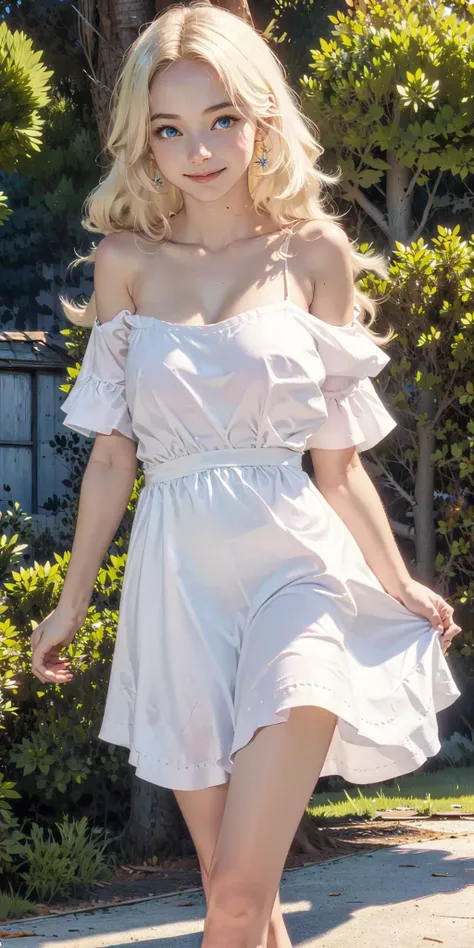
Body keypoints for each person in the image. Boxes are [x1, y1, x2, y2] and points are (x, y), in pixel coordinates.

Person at [30, 3, 462, 946]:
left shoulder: (316, 255)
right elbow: (113, 455)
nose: (201, 149)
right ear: (144, 143)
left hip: (296, 575)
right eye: (171, 129)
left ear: (261, 116)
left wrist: (393, 581)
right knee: (244, 898)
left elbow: (337, 463)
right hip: (175, 587)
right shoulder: (126, 264)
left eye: (222, 117)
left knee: (232, 898)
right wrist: (70, 603)